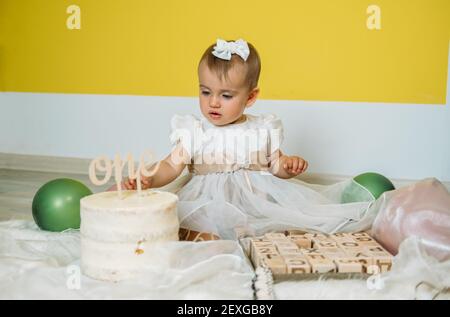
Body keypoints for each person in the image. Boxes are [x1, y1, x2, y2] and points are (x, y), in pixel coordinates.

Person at [123, 39, 375, 240]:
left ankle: (254, 241)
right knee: (193, 230)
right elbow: (171, 165)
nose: (213, 102)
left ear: (250, 97)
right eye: (205, 91)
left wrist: (287, 166)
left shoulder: (262, 128)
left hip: (255, 203)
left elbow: (275, 165)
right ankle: (210, 244)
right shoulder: (193, 130)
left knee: (283, 228)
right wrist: (150, 178)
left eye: (226, 95)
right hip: (207, 203)